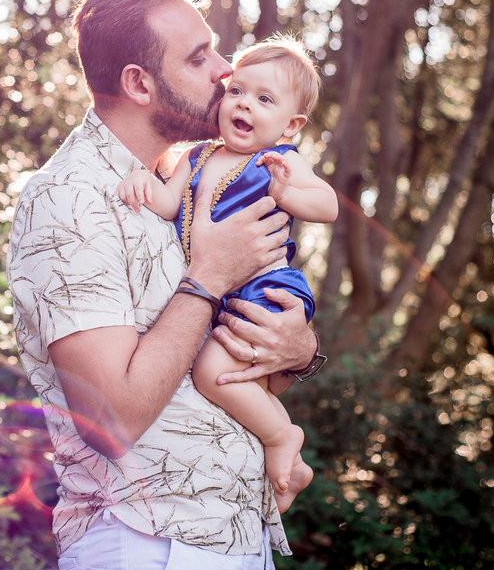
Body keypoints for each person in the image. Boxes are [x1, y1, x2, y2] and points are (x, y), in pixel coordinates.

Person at [7, 0, 325, 569]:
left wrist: (298, 348)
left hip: (233, 538)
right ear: (138, 83)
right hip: (146, 545)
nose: (226, 71)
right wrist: (206, 278)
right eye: (200, 56)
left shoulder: (192, 183)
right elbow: (111, 419)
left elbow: (207, 368)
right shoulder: (71, 199)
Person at [116, 35, 337, 513]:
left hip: (264, 286)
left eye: (264, 99)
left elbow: (329, 205)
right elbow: (169, 202)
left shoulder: (279, 161)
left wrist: (285, 192)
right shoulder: (196, 157)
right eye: (237, 91)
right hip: (220, 292)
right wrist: (142, 181)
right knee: (244, 382)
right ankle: (285, 468)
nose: (244, 104)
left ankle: (283, 438)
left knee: (212, 371)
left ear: (290, 124)